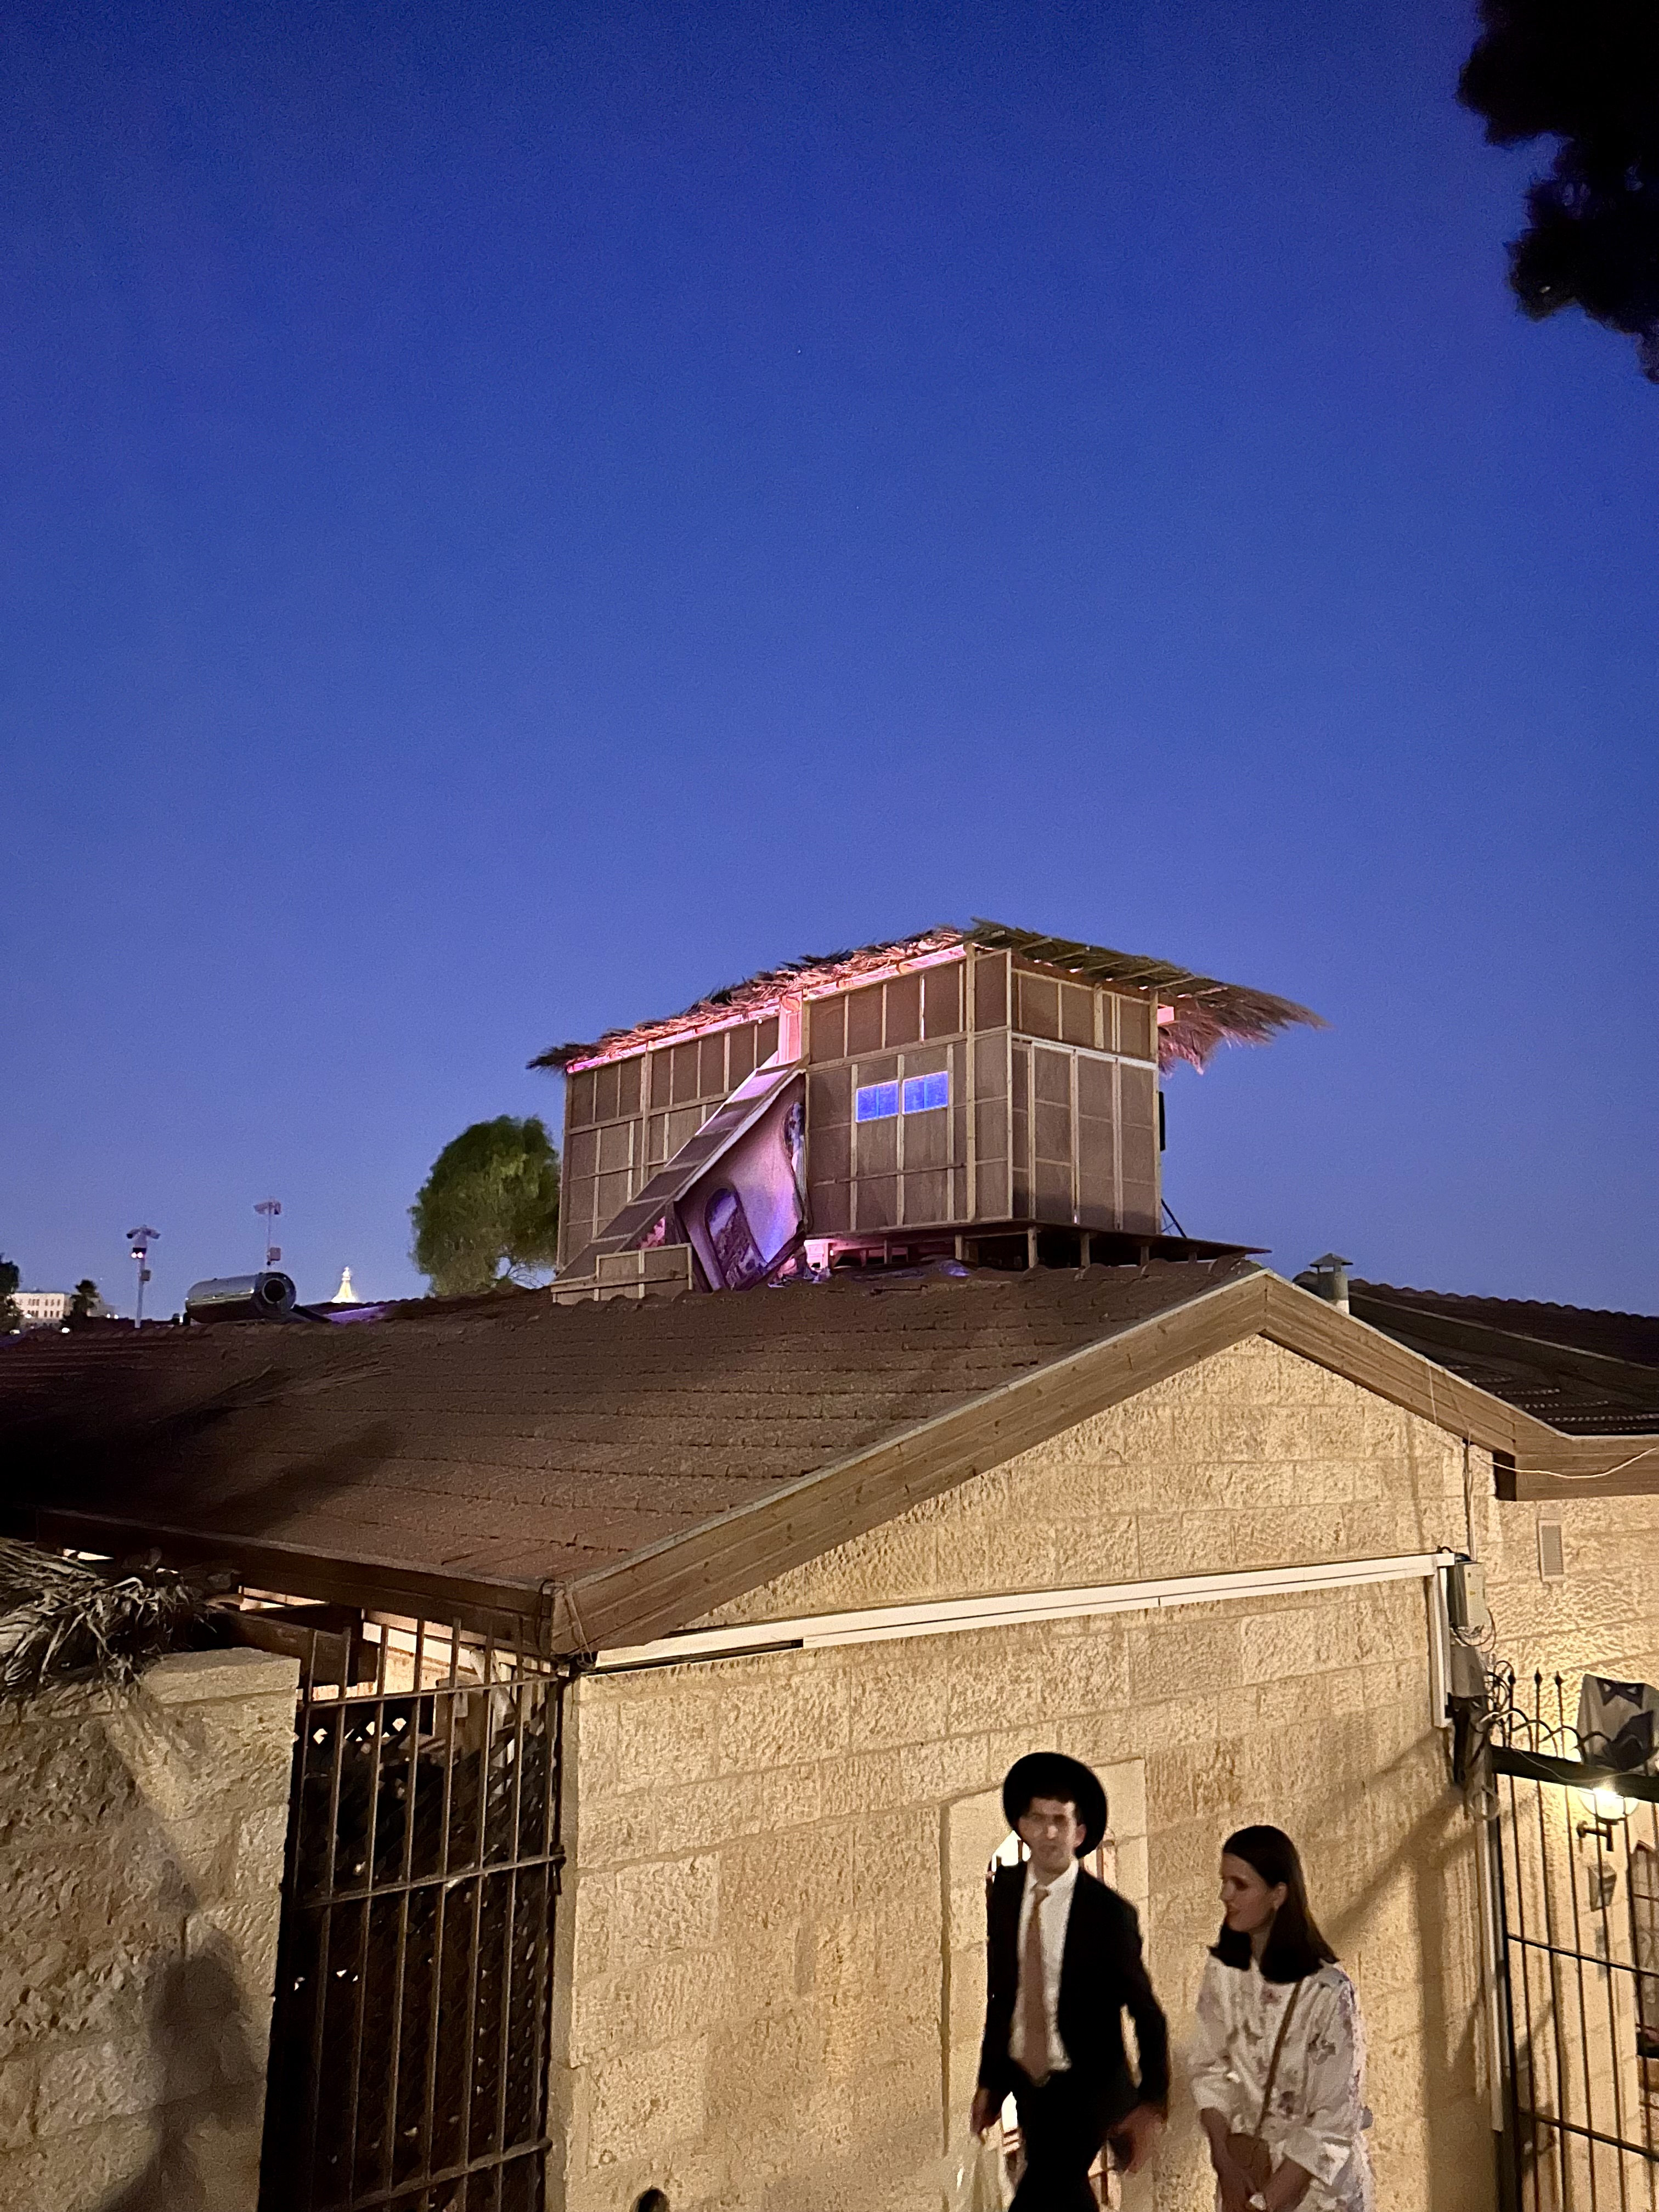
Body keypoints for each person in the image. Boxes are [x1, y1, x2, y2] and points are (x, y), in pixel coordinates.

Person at [972, 1752, 1170, 2208]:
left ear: (1079, 1833)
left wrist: (1151, 2102)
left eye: (1060, 1821)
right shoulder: (1006, 1895)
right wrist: (991, 2082)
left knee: (1046, 2188)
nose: (1049, 1834)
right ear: (1022, 1826)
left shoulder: (1109, 1915)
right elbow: (1004, 1995)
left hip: (1086, 2086)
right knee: (1058, 2193)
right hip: (1031, 2084)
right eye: (1038, 1820)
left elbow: (1146, 2013)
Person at [1189, 1826, 1373, 2212]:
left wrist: (1265, 2204)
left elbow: (1331, 2121)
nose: (1225, 1896)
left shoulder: (1329, 1994)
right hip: (1247, 2172)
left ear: (1278, 1895)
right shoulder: (1223, 1971)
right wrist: (1224, 2162)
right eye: (1224, 1882)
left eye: (1240, 1885)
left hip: (1315, 2194)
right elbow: (1209, 2069)